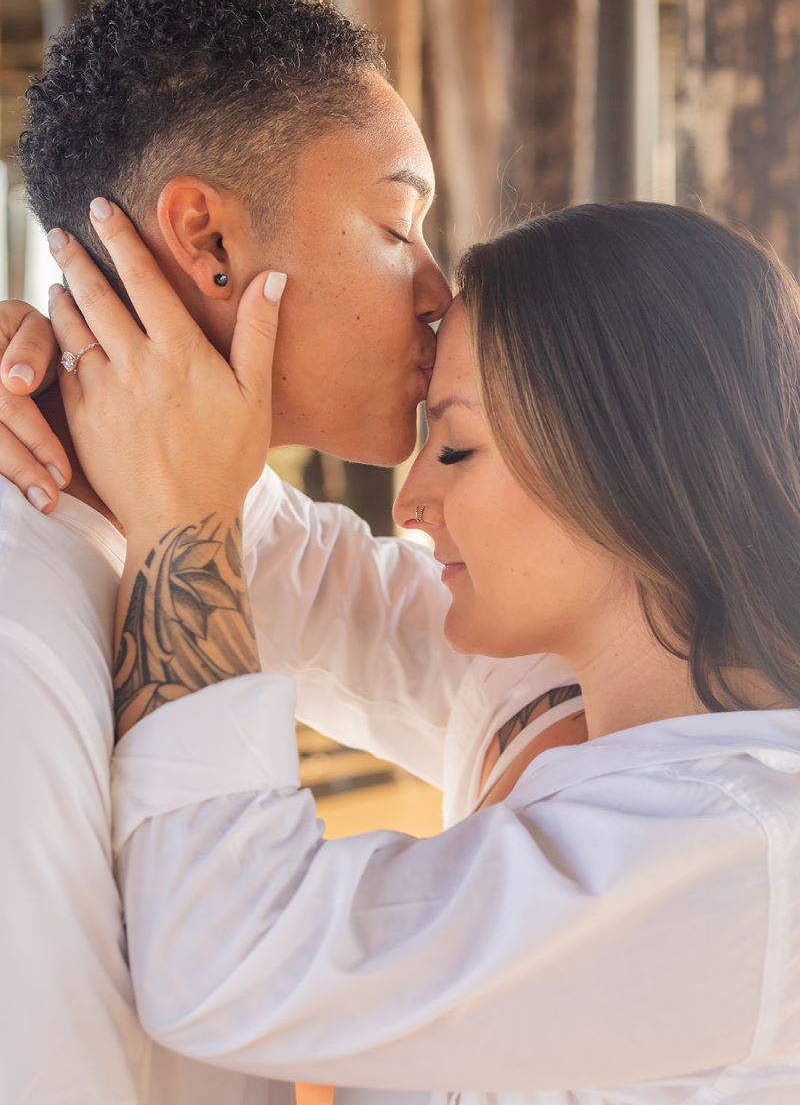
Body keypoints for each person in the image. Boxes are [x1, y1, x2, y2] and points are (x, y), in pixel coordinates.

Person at [25, 194, 800, 1102]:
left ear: (629, 458)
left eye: (456, 447)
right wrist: (68, 380)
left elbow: (231, 962)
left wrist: (183, 518)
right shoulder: (551, 686)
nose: (410, 503)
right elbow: (300, 571)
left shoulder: (743, 861)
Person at [0, 0, 578, 1101]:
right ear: (207, 240)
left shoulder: (191, 533)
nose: (432, 292)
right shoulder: (20, 622)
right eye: (394, 223)